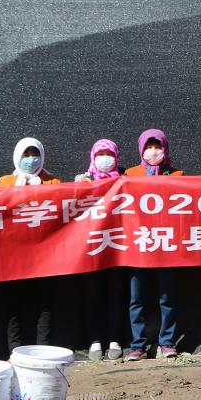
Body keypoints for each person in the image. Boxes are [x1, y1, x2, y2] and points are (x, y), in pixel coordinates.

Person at [124, 129, 183, 360]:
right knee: (137, 299)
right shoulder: (130, 174)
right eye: (148, 147)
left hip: (166, 244)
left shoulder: (177, 174)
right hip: (138, 244)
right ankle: (138, 345)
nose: (153, 151)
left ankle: (167, 342)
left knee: (167, 298)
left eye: (157, 146)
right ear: (141, 149)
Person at [0, 137, 60, 350]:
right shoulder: (5, 182)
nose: (31, 159)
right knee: (14, 304)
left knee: (45, 303)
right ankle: (15, 349)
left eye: (35, 154)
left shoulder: (53, 182)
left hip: (45, 253)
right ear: (18, 156)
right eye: (26, 154)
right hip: (15, 253)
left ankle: (43, 348)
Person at [75, 138, 126, 361]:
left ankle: (115, 339)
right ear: (93, 157)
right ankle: (94, 340)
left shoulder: (125, 179)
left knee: (116, 294)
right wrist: (82, 186)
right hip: (92, 247)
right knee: (92, 295)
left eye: (109, 154)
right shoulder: (83, 180)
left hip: (117, 246)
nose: (105, 159)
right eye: (100, 154)